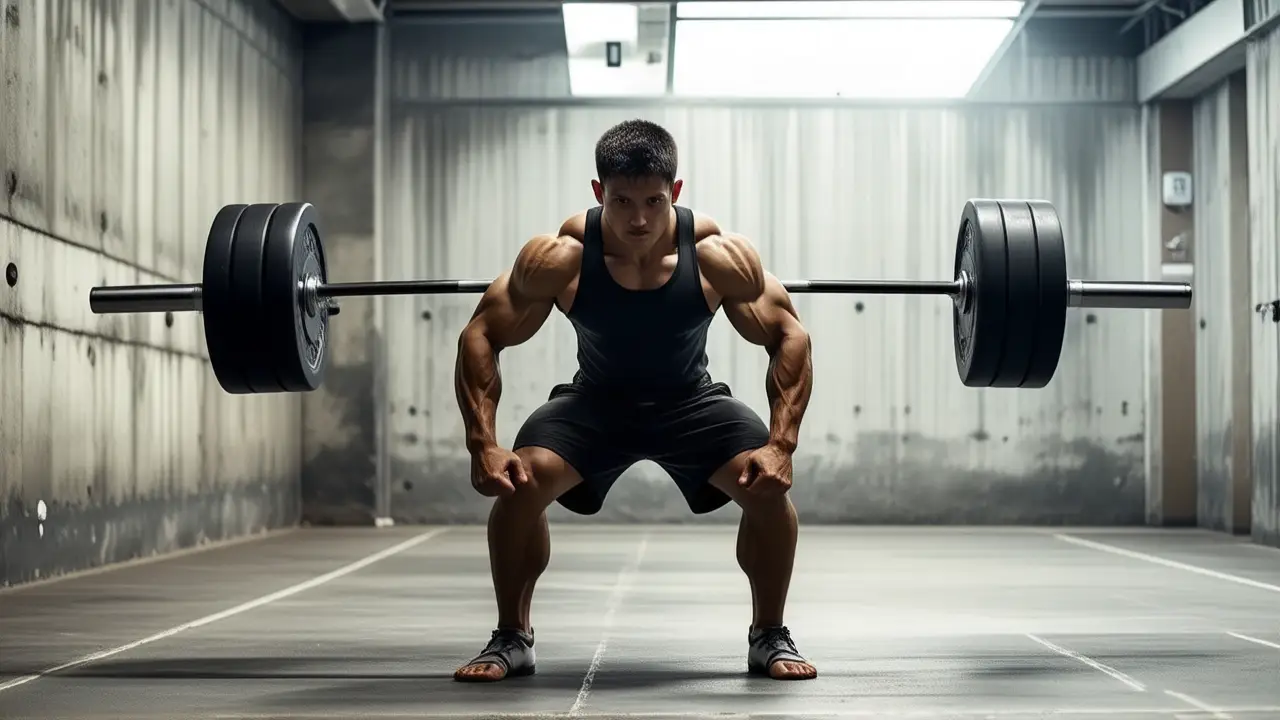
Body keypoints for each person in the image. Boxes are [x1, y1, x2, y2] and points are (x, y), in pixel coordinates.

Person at [452, 119, 816, 683]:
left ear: (675, 191)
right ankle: (512, 637)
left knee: (765, 487)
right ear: (599, 193)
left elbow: (790, 335)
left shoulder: (716, 256)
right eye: (622, 201)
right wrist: (483, 445)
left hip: (691, 404)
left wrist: (781, 445)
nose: (639, 218)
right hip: (595, 404)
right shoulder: (561, 257)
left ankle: (768, 634)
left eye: (652, 200)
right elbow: (481, 333)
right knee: (521, 482)